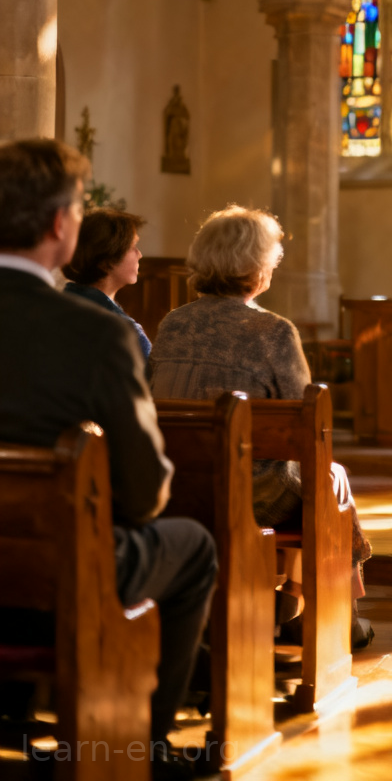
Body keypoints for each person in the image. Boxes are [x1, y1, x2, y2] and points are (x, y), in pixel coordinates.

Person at [0, 139, 216, 781]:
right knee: (195, 546)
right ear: (61, 226)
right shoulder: (96, 332)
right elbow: (145, 492)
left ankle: (15, 713)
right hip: (59, 568)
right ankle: (140, 746)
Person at [147, 205, 373, 646]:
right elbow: (306, 430)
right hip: (248, 491)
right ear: (254, 265)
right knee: (328, 475)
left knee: (313, 475)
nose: (274, 265)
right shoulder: (273, 332)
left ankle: (290, 598)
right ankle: (337, 614)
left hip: (177, 482)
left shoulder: (173, 324)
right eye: (272, 256)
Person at [63, 206, 151, 359]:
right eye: (132, 247)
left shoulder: (56, 306)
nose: (140, 254)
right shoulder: (124, 331)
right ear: (107, 258)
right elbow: (151, 381)